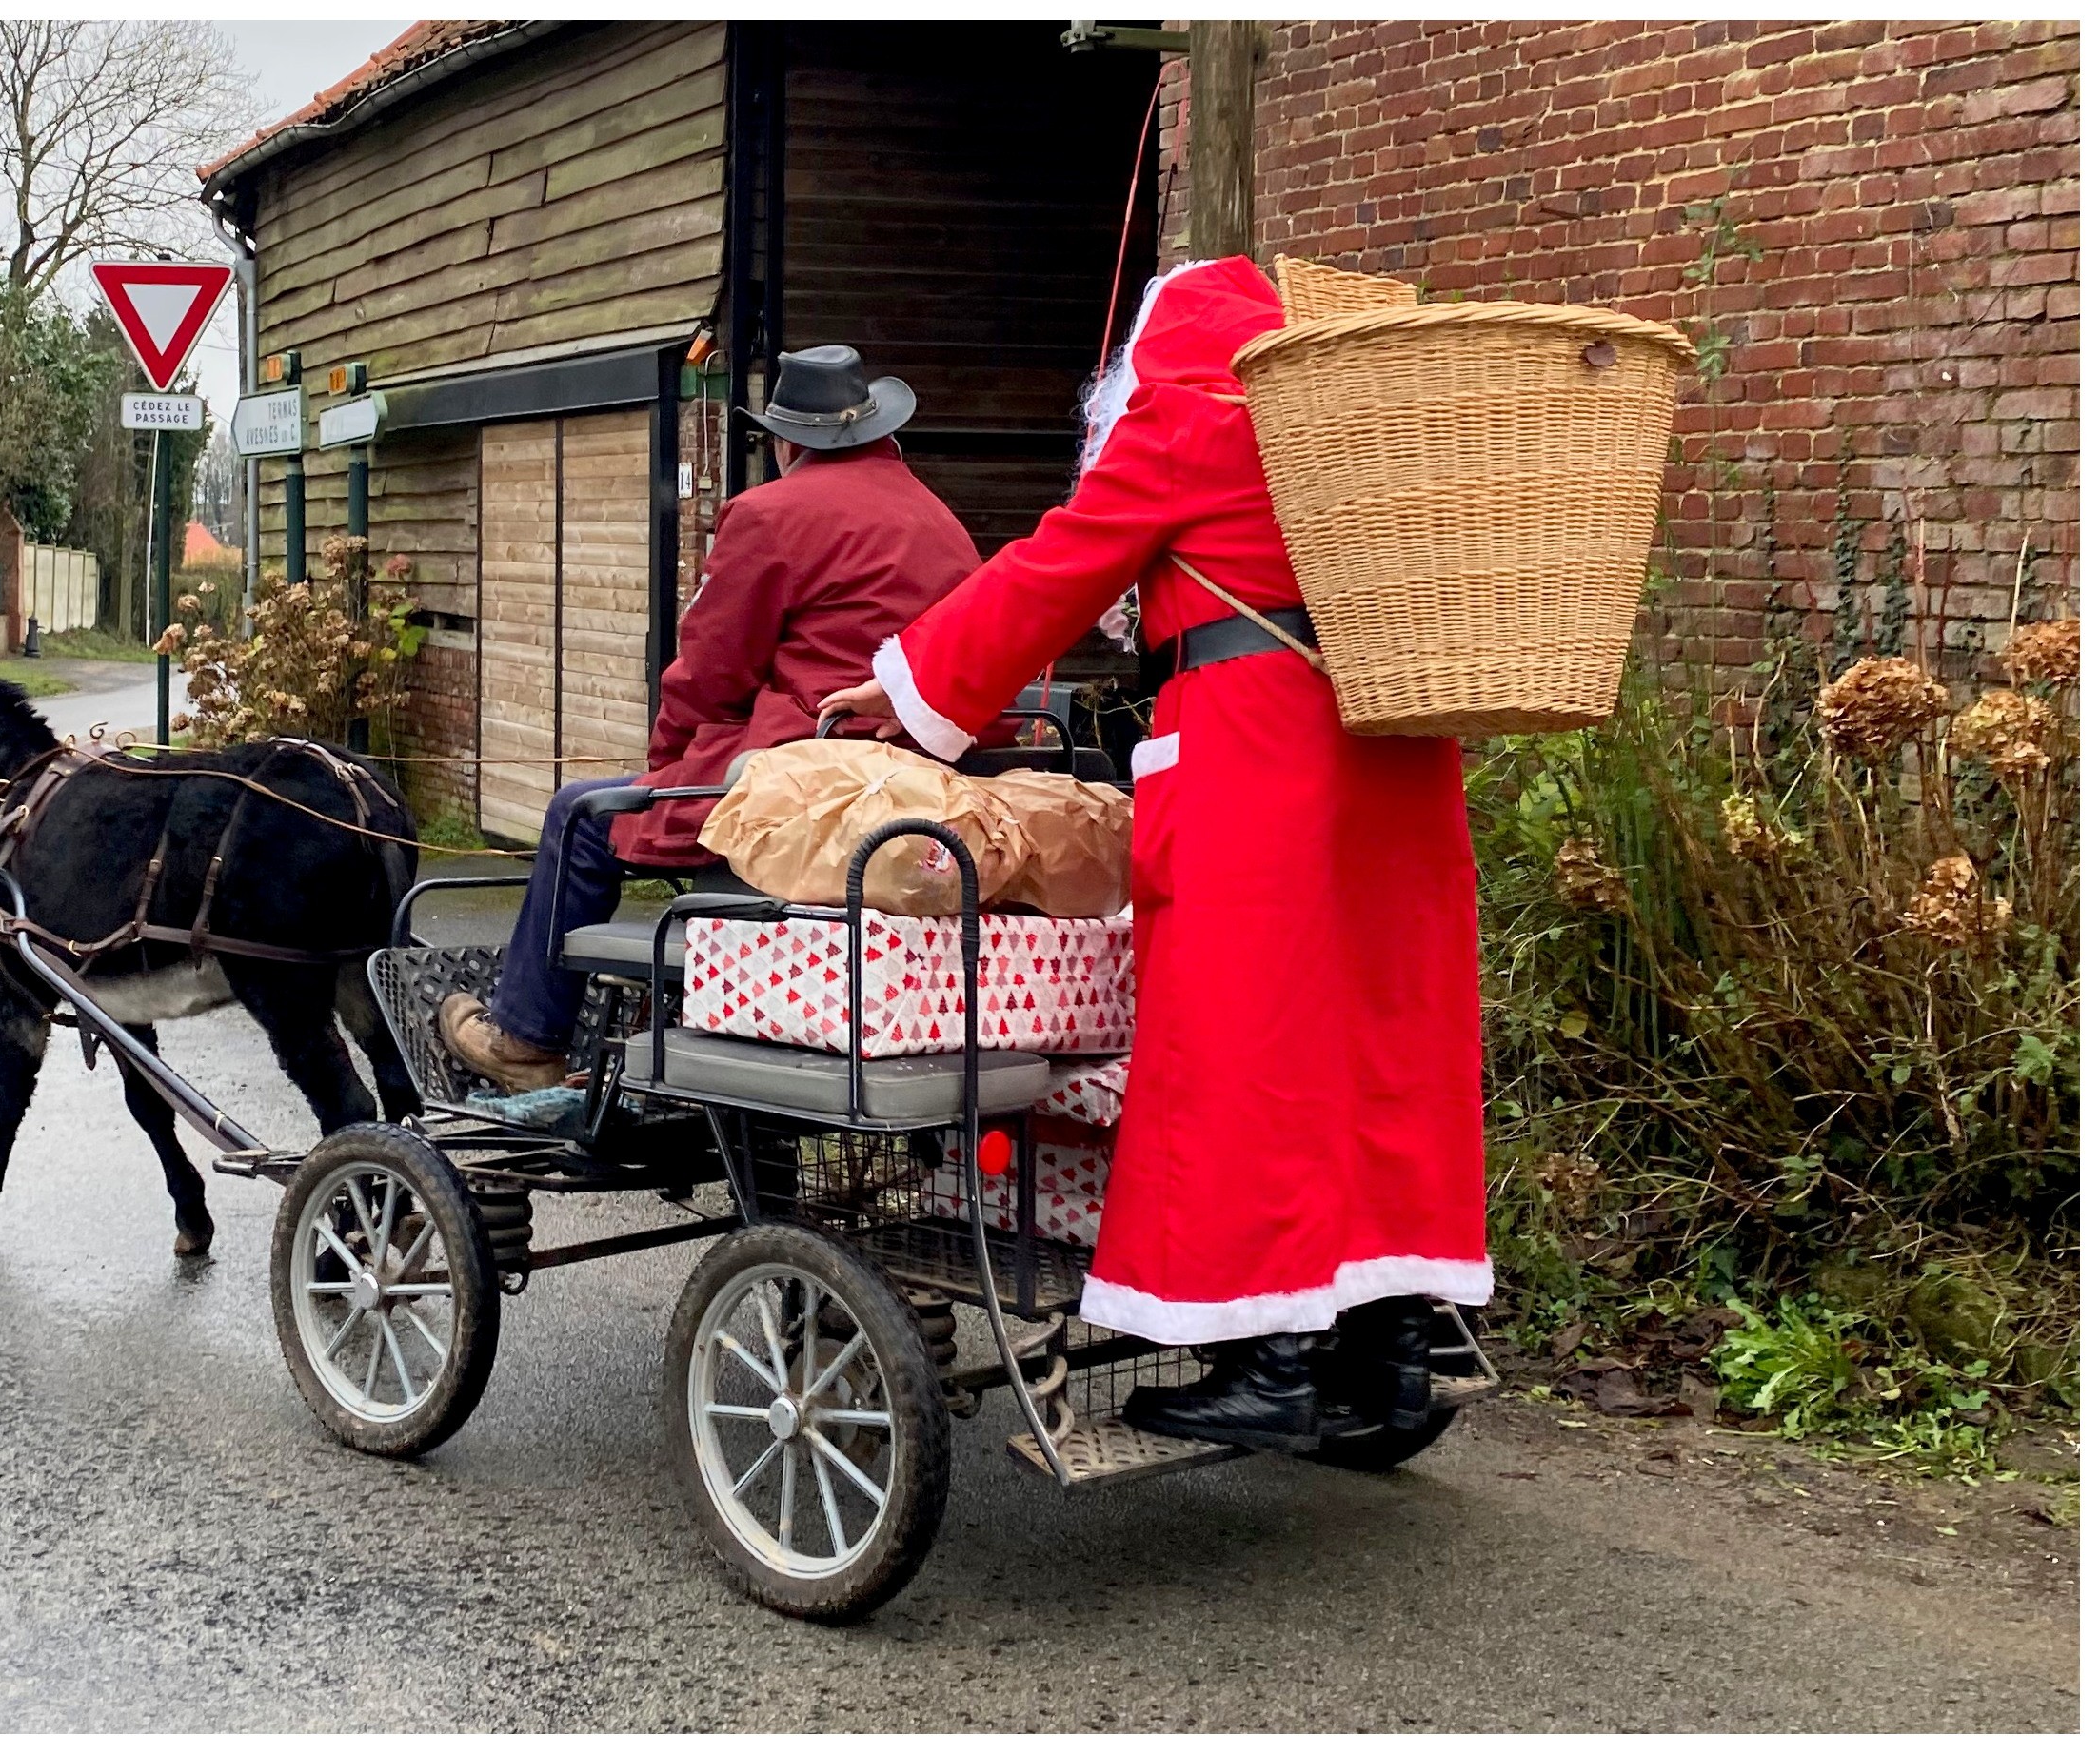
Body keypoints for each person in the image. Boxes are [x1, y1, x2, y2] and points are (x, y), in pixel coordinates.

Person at [817, 257, 1489, 1451]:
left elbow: (1057, 567)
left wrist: (908, 690)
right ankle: (1386, 1357)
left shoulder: (1190, 414)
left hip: (1258, 750)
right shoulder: (1364, 421)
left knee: (1242, 1042)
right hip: (1394, 750)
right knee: (1376, 1039)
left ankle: (1265, 1362)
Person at [441, 345, 985, 1094]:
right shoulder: (938, 517)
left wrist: (663, 772)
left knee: (582, 813)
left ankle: (526, 1038)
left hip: (813, 780)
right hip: (924, 789)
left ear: (787, 442)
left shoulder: (769, 515)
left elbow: (707, 674)